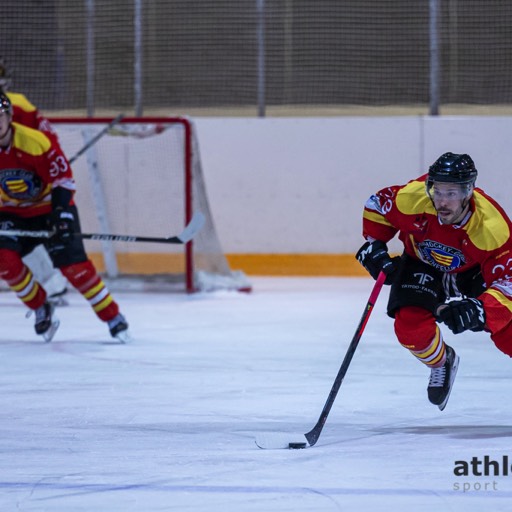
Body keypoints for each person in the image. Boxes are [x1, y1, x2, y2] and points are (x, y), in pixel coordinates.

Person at [356, 152, 512, 411]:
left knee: (508, 330)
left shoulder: (492, 228)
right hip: (422, 262)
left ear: (468, 191)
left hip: (473, 271)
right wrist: (375, 246)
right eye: (437, 191)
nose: (442, 201)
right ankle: (442, 363)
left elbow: (508, 280)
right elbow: (376, 205)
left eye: (451, 193)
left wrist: (482, 309)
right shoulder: (412, 198)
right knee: (410, 328)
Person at [0, 92, 130, 343]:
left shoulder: (35, 142)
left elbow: (63, 179)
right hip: (12, 212)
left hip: (49, 208)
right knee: (4, 260)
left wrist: (61, 214)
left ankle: (113, 317)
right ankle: (41, 306)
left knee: (74, 268)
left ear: (8, 117)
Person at [0, 58, 67, 300]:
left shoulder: (19, 105)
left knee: (15, 232)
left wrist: (46, 166)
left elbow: (47, 140)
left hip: (19, 186)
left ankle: (52, 284)